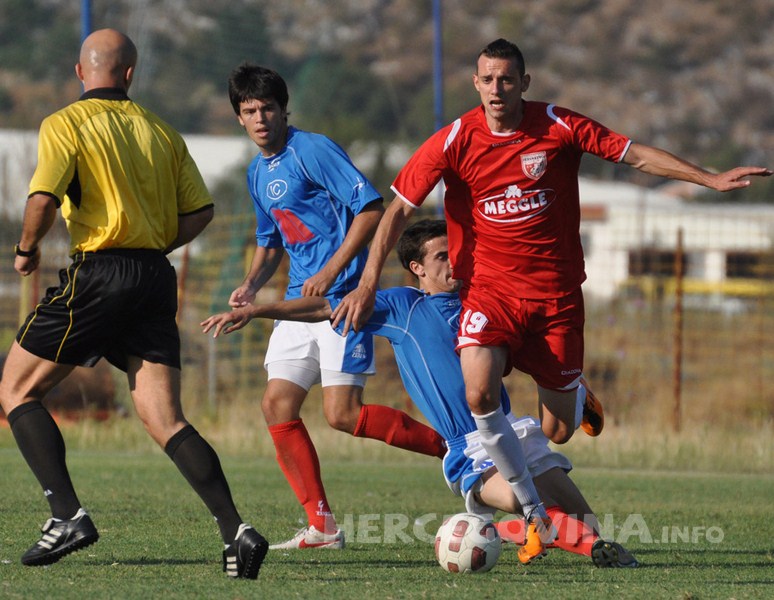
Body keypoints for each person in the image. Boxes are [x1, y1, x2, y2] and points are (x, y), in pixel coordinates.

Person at [330, 38, 771, 557]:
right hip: (489, 294)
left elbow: (635, 155)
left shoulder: (558, 125)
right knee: (479, 394)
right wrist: (366, 283)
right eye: (488, 79)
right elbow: (399, 210)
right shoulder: (453, 140)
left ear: (524, 82)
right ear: (476, 84)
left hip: (555, 301)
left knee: (557, 431)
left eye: (506, 79)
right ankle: (532, 510)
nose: (497, 88)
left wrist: (708, 179)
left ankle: (574, 395)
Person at [201, 219, 638, 567]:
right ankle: (591, 548)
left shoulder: (481, 302)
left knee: (585, 520)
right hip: (470, 449)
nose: (454, 263)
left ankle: (568, 412)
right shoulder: (402, 307)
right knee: (533, 505)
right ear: (418, 268)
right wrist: (258, 310)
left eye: (456, 253)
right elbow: (325, 307)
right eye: (443, 256)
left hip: (514, 429)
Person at [0, 29, 267, 579]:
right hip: (153, 277)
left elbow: (43, 198)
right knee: (165, 418)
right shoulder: (161, 131)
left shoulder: (66, 122)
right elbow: (201, 211)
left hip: (100, 272)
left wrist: (26, 250)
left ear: (81, 72)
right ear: (129, 74)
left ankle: (67, 515)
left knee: (16, 389)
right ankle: (235, 530)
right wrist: (151, 244)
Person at [226, 64, 446, 550]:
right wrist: (249, 285)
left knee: (342, 414)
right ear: (239, 117)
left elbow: (370, 209)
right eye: (249, 110)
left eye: (267, 108)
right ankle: (321, 526)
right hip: (298, 303)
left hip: (342, 299)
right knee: (276, 404)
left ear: (284, 110)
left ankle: (452, 451)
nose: (260, 118)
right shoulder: (257, 172)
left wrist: (331, 271)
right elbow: (270, 240)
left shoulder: (312, 149)